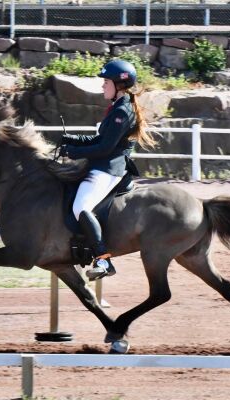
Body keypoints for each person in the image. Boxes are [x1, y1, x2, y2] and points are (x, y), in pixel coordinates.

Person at [60, 59, 157, 280]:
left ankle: (103, 260)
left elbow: (104, 147)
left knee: (81, 206)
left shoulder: (122, 111)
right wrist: (73, 140)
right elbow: (100, 139)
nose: (102, 86)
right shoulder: (117, 107)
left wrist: (74, 152)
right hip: (103, 163)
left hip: (109, 169)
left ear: (119, 85)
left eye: (106, 82)